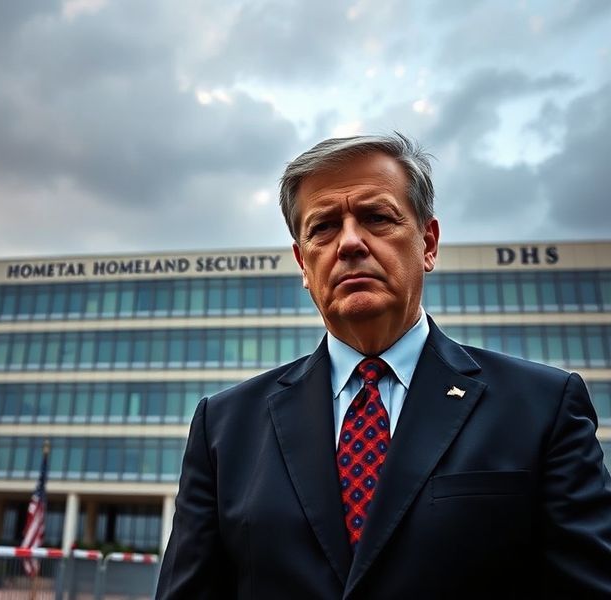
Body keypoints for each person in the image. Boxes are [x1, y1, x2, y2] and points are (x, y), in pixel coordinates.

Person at [155, 133, 611, 599]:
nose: (350, 242)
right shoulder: (224, 427)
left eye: (376, 218)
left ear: (428, 243)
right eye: (324, 227)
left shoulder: (541, 408)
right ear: (303, 263)